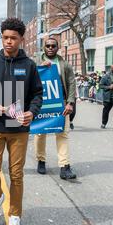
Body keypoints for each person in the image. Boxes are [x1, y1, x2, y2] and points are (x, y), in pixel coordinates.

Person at [0, 18, 43, 225]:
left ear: (21, 39)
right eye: (5, 37)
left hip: (19, 129)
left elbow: (37, 94)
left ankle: (14, 217)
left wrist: (32, 112)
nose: (8, 41)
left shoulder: (29, 65)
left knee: (16, 175)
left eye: (13, 38)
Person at [34, 38, 77, 179]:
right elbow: (27, 78)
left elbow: (71, 83)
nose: (50, 48)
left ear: (58, 47)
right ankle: (41, 160)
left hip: (61, 103)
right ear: (44, 47)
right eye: (48, 46)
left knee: (63, 133)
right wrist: (40, 67)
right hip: (41, 103)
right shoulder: (35, 62)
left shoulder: (64, 64)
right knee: (40, 133)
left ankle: (65, 167)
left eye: (53, 46)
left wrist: (70, 103)